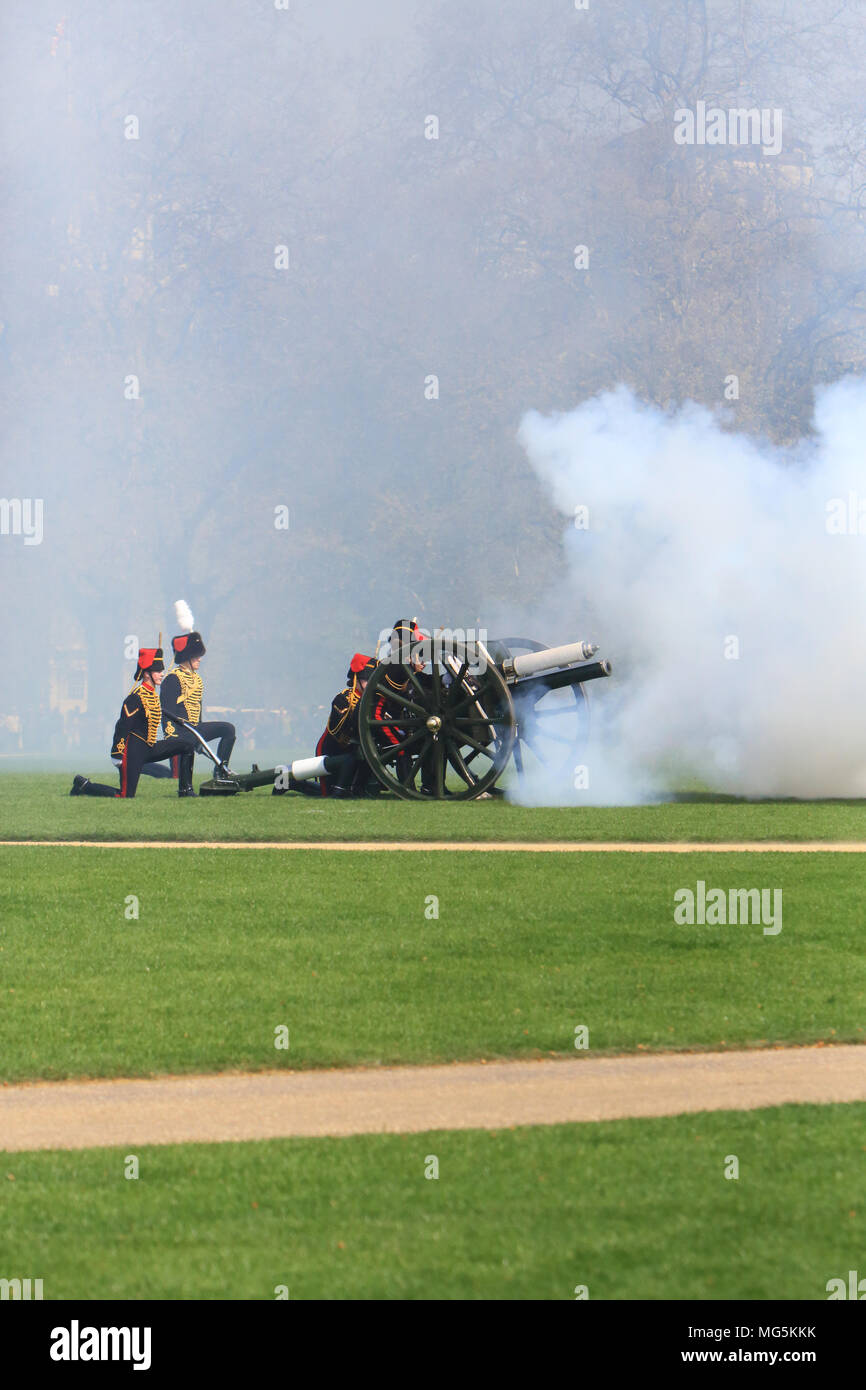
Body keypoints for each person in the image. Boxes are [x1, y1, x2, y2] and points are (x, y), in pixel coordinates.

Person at [69, 645, 196, 798]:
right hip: (133, 752)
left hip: (150, 747)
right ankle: (84, 786)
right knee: (125, 795)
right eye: (158, 671)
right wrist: (117, 753)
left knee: (187, 746)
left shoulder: (153, 695)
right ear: (147, 674)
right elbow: (122, 726)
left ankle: (185, 790)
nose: (162, 674)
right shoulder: (135, 698)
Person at [161, 623, 236, 789]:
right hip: (180, 733)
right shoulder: (172, 679)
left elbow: (197, 708)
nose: (199, 659)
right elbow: (166, 712)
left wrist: (200, 733)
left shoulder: (198, 679)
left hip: (196, 729)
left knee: (228, 729)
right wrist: (172, 739)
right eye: (196, 656)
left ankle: (220, 770)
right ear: (186, 657)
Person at [313, 653, 379, 796]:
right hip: (331, 750)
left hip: (354, 754)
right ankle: (295, 783)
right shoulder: (343, 699)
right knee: (328, 793)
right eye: (367, 680)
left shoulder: (374, 701)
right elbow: (339, 732)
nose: (371, 684)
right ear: (356, 679)